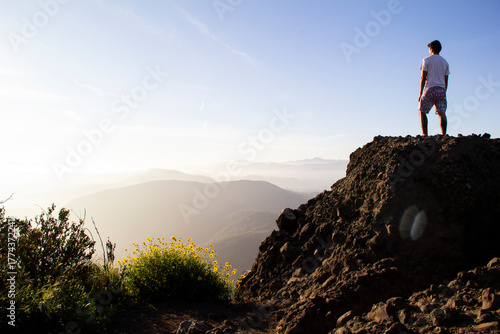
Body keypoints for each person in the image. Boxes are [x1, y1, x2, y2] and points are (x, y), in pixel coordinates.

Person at [418, 40, 450, 136]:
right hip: (441, 90)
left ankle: (425, 134)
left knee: (421, 111)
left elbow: (423, 77)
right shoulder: (445, 62)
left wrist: (420, 93)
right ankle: (444, 135)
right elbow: (446, 80)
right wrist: (444, 91)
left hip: (430, 89)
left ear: (431, 49)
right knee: (441, 113)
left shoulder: (426, 60)